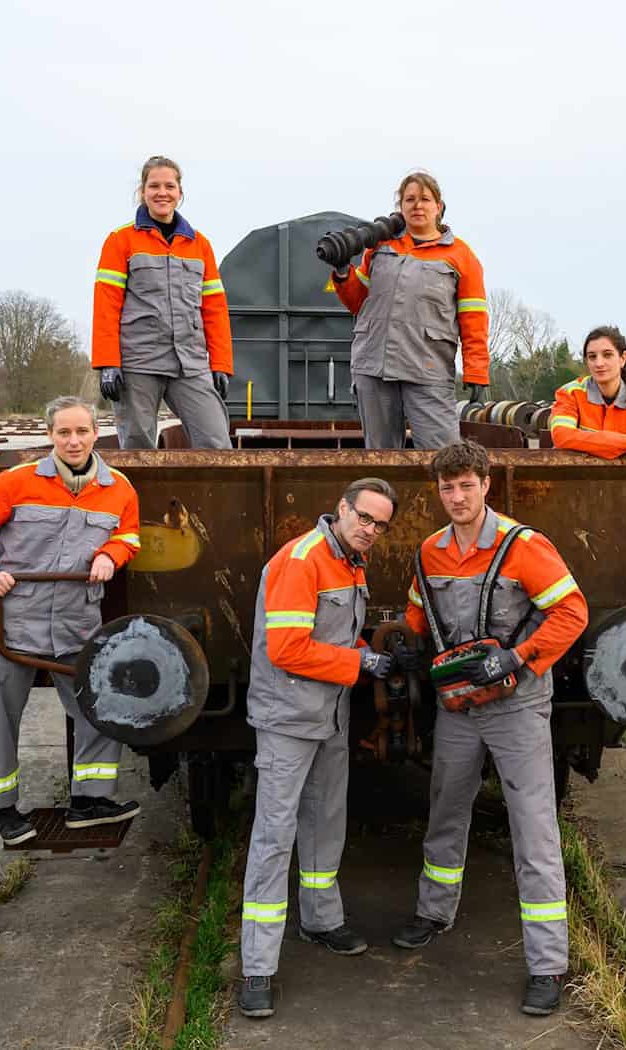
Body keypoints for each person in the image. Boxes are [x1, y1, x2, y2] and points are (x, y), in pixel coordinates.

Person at [391, 440, 588, 1017]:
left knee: (534, 831)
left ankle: (547, 965)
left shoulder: (523, 547)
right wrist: (406, 640)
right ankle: (434, 912)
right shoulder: (430, 551)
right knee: (446, 808)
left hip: (518, 707)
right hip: (459, 707)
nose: (456, 497)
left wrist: (519, 657)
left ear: (486, 485)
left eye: (465, 485)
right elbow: (418, 610)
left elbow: (572, 612)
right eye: (446, 488)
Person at [237, 479, 399, 1020]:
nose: (370, 530)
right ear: (341, 509)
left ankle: (321, 920)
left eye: (380, 524)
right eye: (364, 517)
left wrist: (362, 651)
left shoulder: (350, 562)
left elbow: (328, 636)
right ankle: (257, 966)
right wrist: (360, 665)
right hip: (288, 718)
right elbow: (286, 649)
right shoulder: (302, 560)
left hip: (328, 715)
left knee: (326, 819)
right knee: (275, 834)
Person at [0, 396, 143, 844]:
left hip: (77, 622)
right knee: (0, 716)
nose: (73, 441)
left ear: (97, 433)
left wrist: (111, 555)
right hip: (14, 621)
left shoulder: (119, 488)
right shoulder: (16, 483)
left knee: (97, 707)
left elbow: (129, 535)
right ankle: (3, 810)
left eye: (81, 431)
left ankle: (90, 801)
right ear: (50, 436)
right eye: (63, 433)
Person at [331, 171, 489, 450]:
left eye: (425, 199)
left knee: (444, 456)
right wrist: (343, 271)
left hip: (427, 369)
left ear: (438, 207)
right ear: (400, 207)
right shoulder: (379, 248)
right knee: (381, 458)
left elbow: (473, 319)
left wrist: (477, 372)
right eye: (410, 199)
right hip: (374, 366)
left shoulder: (461, 257)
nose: (418, 206)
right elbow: (358, 301)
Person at [92, 154, 234, 449]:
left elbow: (214, 310)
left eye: (169, 186)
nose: (162, 192)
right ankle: (138, 497)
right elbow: (106, 305)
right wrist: (108, 362)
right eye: (154, 185)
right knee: (138, 445)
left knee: (216, 442)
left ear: (180, 193)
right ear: (142, 192)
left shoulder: (200, 245)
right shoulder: (121, 241)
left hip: (190, 363)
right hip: (138, 361)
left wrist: (220, 363)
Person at [549, 325, 626, 458]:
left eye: (607, 355)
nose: (599, 363)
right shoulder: (570, 394)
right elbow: (562, 436)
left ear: (623, 358)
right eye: (592, 357)